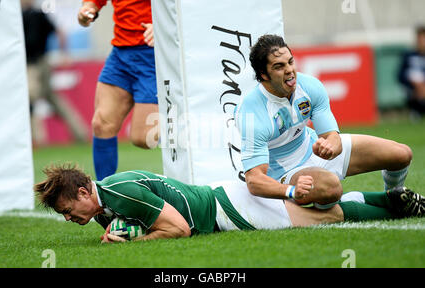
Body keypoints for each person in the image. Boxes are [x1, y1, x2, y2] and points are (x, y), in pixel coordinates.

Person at [234, 34, 413, 209]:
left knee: (401, 154)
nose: (289, 70)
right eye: (279, 66)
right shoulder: (250, 112)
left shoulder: (310, 86)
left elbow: (331, 136)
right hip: (286, 174)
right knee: (331, 188)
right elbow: (254, 180)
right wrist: (290, 191)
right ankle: (360, 200)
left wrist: (330, 147)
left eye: (290, 62)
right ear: (264, 75)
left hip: (312, 149)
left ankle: (395, 198)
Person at [34, 163, 424, 242]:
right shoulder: (105, 208)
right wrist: (116, 234)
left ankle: (389, 201)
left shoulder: (117, 191)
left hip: (226, 210)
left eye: (69, 210)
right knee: (321, 214)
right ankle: (387, 199)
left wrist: (134, 241)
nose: (70, 219)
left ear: (85, 192)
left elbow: (180, 229)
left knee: (324, 218)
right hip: (222, 200)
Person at [77, 0, 159, 181]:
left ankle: (186, 122)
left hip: (155, 54)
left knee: (144, 138)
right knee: (101, 124)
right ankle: (105, 196)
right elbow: (93, 3)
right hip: (121, 54)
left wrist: (165, 26)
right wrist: (87, 9)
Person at [21, 0, 88, 144]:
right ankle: (79, 133)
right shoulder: (26, 15)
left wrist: (65, 54)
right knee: (51, 97)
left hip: (35, 64)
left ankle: (38, 139)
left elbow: (59, 32)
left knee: (30, 98)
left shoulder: (37, 15)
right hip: (32, 63)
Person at [398, 25, 425, 120]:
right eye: (419, 38)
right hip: (413, 89)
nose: (421, 41)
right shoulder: (409, 56)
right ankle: (416, 111)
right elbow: (400, 75)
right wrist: (413, 84)